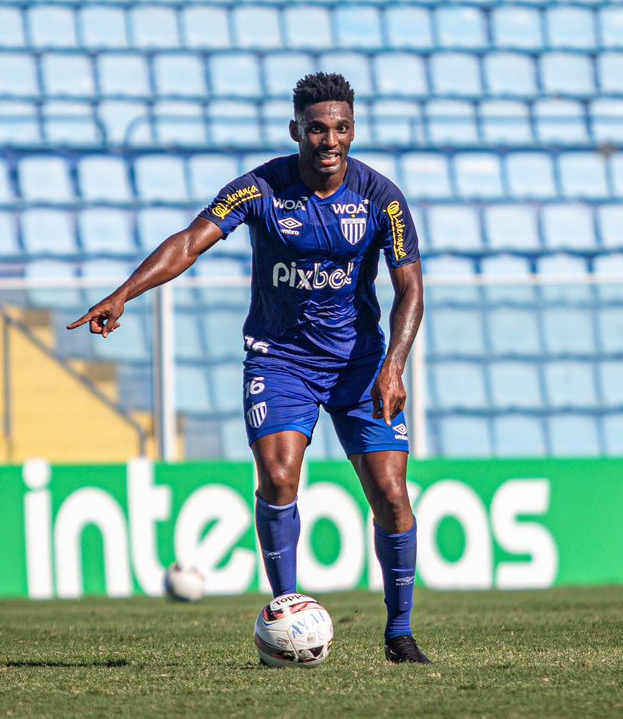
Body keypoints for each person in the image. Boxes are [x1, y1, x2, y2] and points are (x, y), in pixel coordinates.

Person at [69, 72, 430, 664]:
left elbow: (409, 286)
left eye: (341, 128)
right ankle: (287, 614)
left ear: (353, 130)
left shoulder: (380, 198)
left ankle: (400, 634)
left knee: (391, 494)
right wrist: (123, 294)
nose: (330, 139)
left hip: (361, 365)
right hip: (280, 359)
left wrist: (394, 365)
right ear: (297, 131)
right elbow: (189, 242)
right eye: (317, 128)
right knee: (279, 476)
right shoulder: (259, 188)